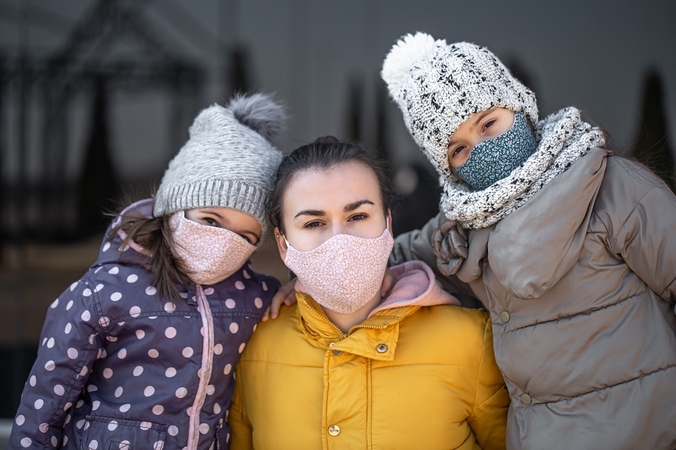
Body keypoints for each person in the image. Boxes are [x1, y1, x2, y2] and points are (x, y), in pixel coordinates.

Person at [381, 32, 676, 449]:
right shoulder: (463, 228)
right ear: (447, 169)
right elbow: (386, 257)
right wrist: (309, 270)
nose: (484, 150)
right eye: (460, 150)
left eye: (488, 123)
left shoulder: (613, 189)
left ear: (520, 107)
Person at [8, 93, 286, 450]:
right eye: (211, 220)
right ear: (173, 207)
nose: (223, 241)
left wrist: (297, 290)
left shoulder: (257, 297)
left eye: (246, 235)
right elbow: (45, 404)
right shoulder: (103, 293)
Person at [228, 137, 509, 450]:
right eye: (313, 223)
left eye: (358, 216)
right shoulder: (254, 344)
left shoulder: (471, 341)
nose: (339, 239)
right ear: (283, 244)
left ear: (387, 223)